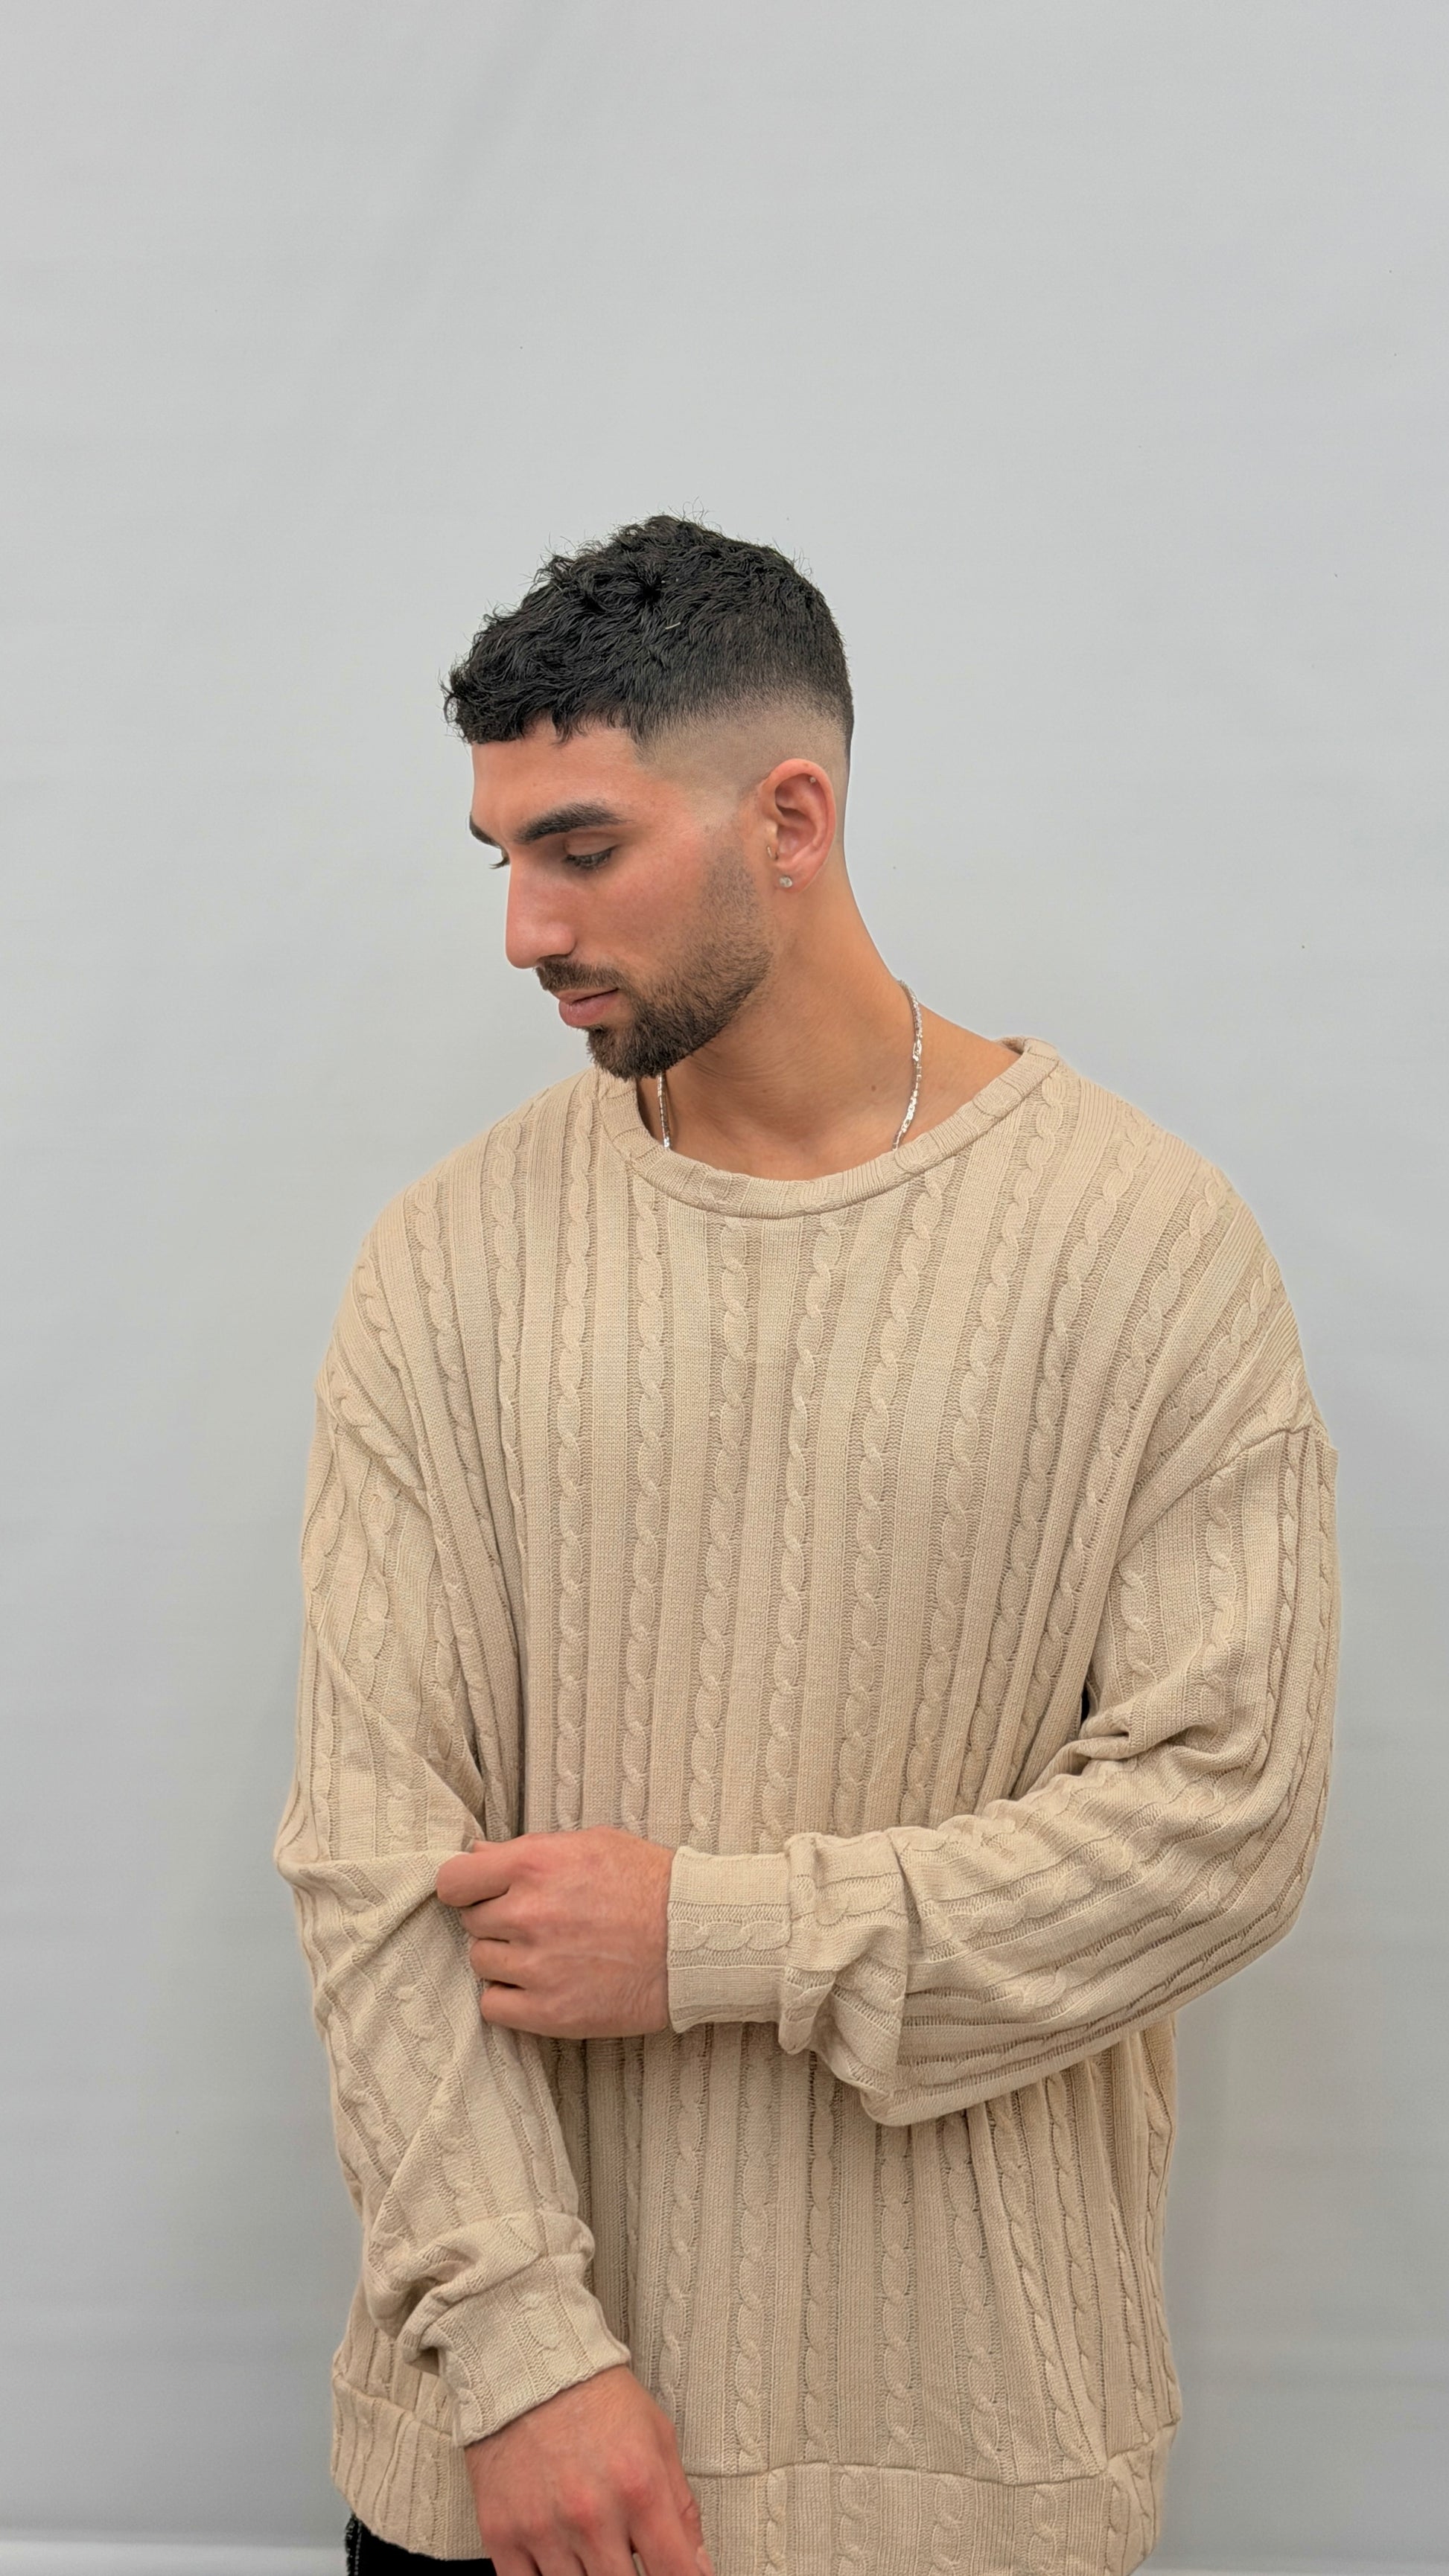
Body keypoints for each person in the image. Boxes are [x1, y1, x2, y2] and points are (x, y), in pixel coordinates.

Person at [275, 517, 1338, 2576]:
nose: (525, 927)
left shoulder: (1143, 1244)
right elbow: (370, 1859)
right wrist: (521, 2353)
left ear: (789, 819)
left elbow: (1225, 1825)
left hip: (960, 2470)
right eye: (500, 857)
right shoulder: (447, 1259)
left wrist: (715, 1938)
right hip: (514, 2466)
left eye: (582, 847)